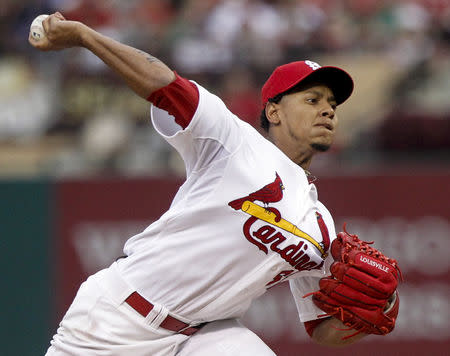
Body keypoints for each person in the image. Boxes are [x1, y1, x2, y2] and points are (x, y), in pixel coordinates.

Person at [29, 12, 399, 356]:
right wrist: (83, 35)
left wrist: (379, 307)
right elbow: (164, 85)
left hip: (201, 337)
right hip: (117, 318)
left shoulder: (320, 224)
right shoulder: (233, 141)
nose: (327, 109)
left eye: (332, 103)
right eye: (312, 99)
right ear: (273, 110)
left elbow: (320, 329)